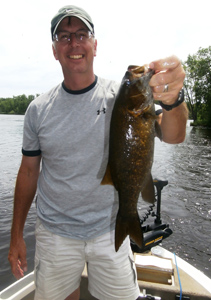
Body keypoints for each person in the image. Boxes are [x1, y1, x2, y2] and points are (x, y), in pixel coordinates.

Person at [8, 5, 188, 300]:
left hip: (110, 228)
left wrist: (173, 100)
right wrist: (16, 235)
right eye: (64, 36)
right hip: (55, 232)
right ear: (55, 50)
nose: (74, 42)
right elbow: (28, 172)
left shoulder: (121, 97)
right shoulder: (37, 109)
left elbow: (175, 135)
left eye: (82, 34)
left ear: (95, 45)